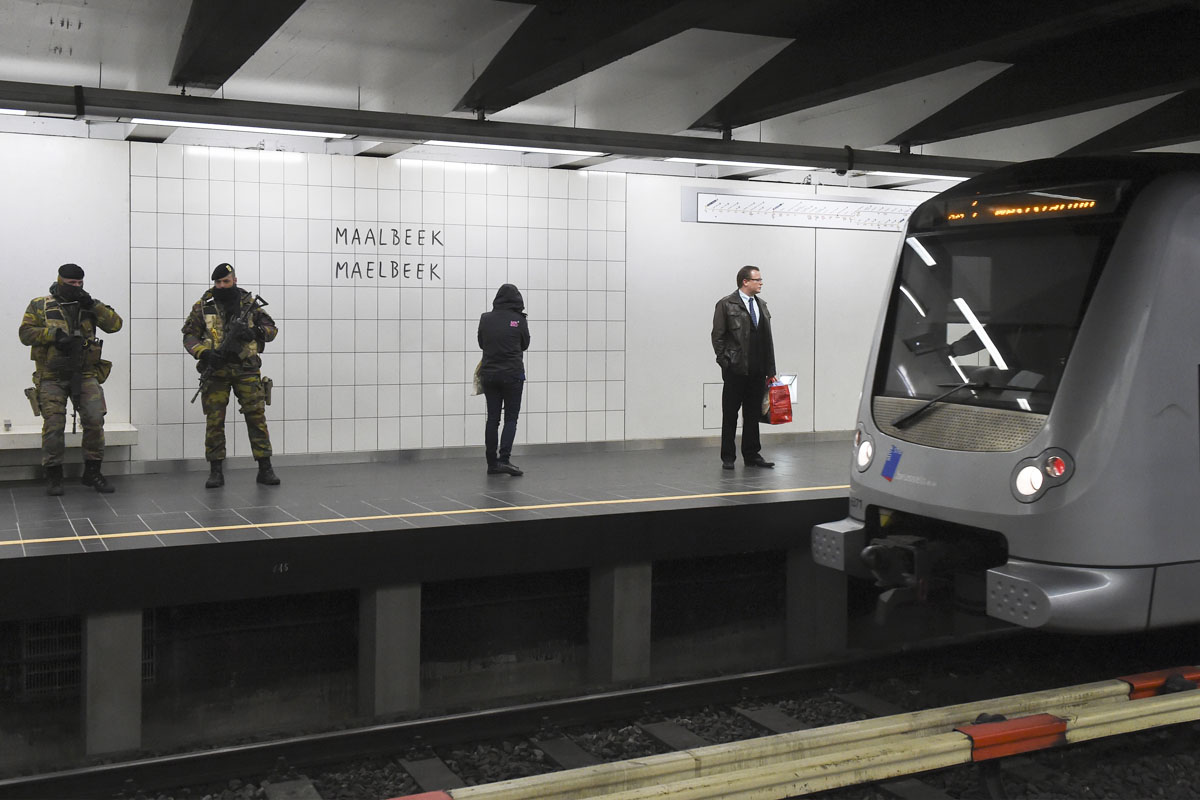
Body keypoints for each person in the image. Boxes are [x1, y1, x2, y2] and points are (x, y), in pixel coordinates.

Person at [19, 263, 123, 495]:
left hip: (85, 372)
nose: (76, 287)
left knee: (95, 419)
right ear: (60, 281)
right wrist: (52, 335)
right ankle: (54, 475)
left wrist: (92, 305)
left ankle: (93, 472)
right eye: (71, 284)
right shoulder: (40, 305)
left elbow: (115, 325)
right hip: (51, 375)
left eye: (79, 283)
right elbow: (25, 334)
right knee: (54, 425)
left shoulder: (88, 305)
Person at [182, 263, 280, 488]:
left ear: (234, 280)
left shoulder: (249, 304)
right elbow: (189, 336)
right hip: (216, 372)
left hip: (246, 369)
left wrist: (254, 332)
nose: (221, 286)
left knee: (256, 416)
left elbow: (272, 329)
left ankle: (265, 468)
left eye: (226, 282)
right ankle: (216, 470)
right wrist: (204, 353)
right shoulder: (203, 306)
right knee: (215, 421)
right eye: (217, 282)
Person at [711, 265, 777, 470]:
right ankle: (728, 457)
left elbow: (768, 339)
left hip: (757, 371)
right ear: (745, 282)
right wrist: (725, 362)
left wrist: (771, 370)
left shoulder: (762, 305)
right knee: (730, 414)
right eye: (757, 279)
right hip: (735, 370)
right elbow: (717, 336)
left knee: (752, 415)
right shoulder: (726, 304)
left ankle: (752, 455)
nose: (761, 283)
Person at [477, 283, 530, 476]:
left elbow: (481, 343)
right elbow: (525, 344)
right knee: (510, 418)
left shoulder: (486, 318)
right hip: (512, 375)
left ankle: (492, 463)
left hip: (489, 374)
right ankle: (504, 460)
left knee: (492, 419)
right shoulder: (519, 319)